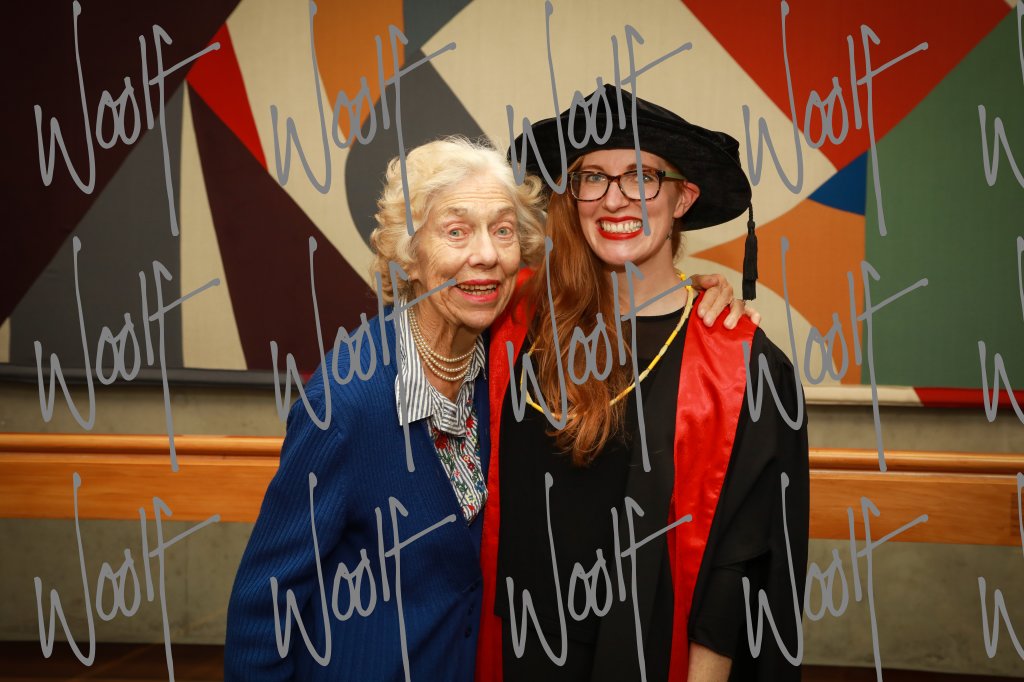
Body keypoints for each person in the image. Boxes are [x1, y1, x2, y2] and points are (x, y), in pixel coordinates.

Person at [477, 86, 809, 681]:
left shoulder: (741, 367)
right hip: (517, 651)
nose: (614, 198)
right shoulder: (517, 324)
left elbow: (736, 574)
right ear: (571, 193)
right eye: (593, 177)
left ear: (684, 197)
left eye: (641, 176)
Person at [223, 137, 547, 681]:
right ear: (409, 255)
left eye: (503, 230)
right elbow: (265, 602)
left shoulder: (508, 373)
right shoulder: (346, 403)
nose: (487, 254)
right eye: (456, 231)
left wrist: (693, 295)